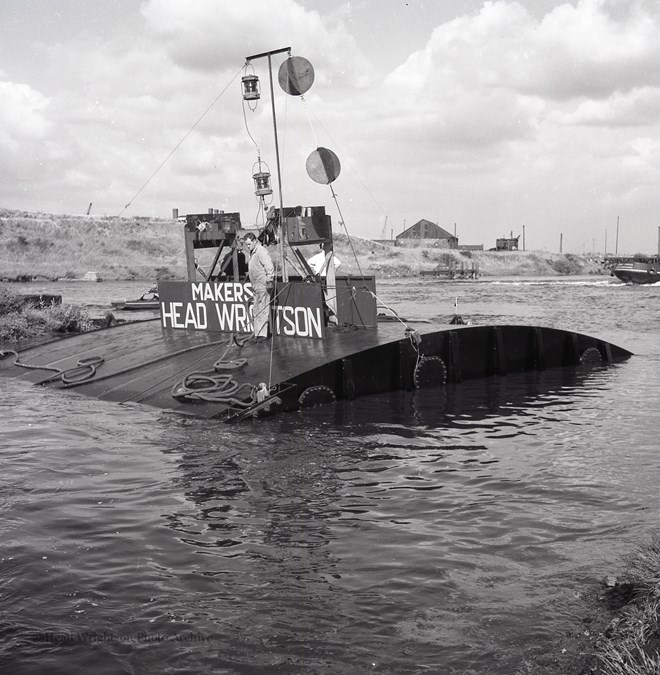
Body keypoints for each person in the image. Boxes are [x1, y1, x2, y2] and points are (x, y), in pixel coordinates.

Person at [243, 232, 275, 342]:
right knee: (256, 309)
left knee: (262, 308)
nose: (247, 247)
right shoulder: (252, 252)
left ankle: (262, 334)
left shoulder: (261, 251)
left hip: (262, 285)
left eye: (249, 244)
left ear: (254, 241)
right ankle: (258, 333)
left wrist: (270, 280)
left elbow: (269, 266)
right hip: (255, 285)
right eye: (246, 245)